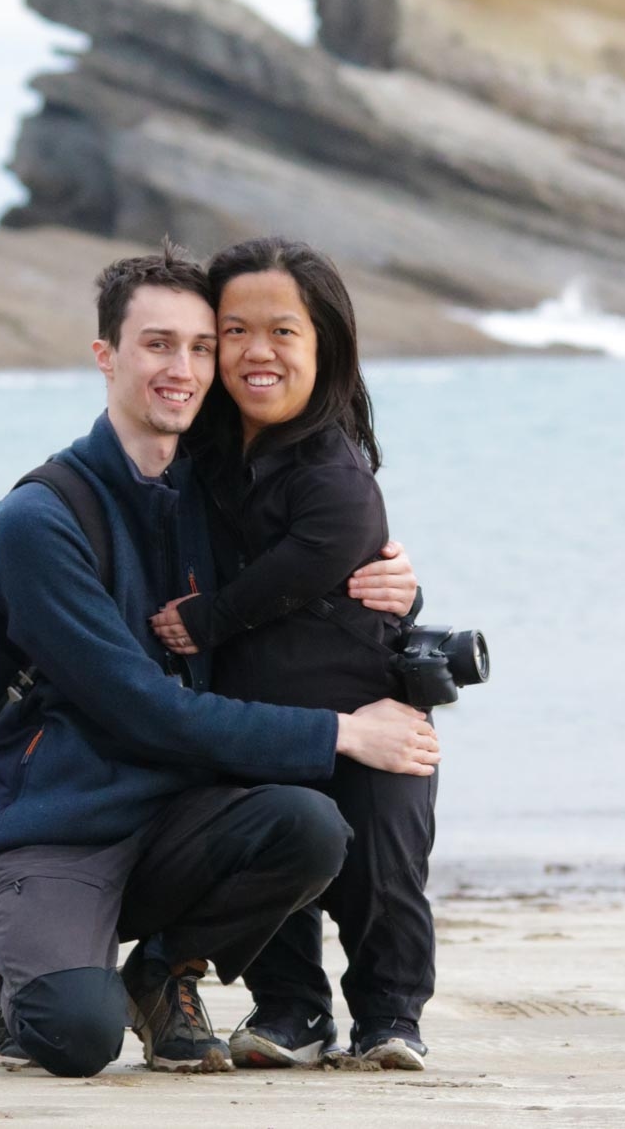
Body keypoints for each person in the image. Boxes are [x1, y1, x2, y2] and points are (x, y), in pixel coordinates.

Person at [0, 245, 439, 1079]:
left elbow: (298, 593)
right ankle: (25, 977)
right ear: (106, 356)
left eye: (203, 346)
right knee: (75, 1037)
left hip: (173, 822)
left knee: (308, 826)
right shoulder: (42, 519)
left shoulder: (211, 487)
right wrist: (342, 733)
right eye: (159, 344)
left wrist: (395, 591)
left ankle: (164, 968)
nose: (187, 367)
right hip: (50, 831)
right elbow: (139, 708)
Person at [151, 238, 440, 1071]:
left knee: (383, 876)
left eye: (284, 331)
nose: (257, 352)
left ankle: (391, 1019)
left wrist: (207, 619)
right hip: (261, 717)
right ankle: (292, 1014)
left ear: (325, 346)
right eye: (234, 331)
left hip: (372, 710)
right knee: (284, 865)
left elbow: (315, 558)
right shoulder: (200, 454)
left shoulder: (335, 466)